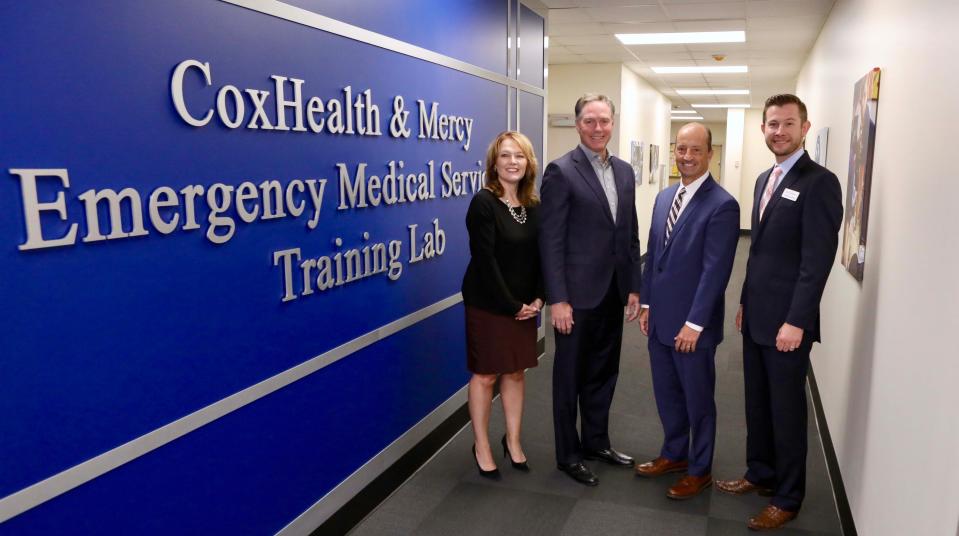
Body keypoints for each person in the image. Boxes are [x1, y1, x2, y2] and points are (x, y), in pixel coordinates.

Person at [716, 94, 842, 531]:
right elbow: (761, 254)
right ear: (763, 129)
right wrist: (746, 301)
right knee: (758, 402)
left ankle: (788, 497)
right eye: (772, 124)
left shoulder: (819, 183)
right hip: (758, 316)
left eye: (789, 123)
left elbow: (816, 263)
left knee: (787, 412)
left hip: (789, 322)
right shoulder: (763, 179)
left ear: (805, 128)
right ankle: (761, 473)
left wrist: (797, 320)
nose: (779, 131)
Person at [539, 93, 642, 486]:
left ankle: (596, 441)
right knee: (570, 377)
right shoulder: (561, 171)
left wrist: (633, 286)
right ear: (577, 124)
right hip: (576, 299)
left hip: (612, 293)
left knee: (604, 371)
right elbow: (551, 242)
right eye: (589, 121)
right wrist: (558, 299)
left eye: (604, 121)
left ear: (613, 123)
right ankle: (568, 454)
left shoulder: (624, 171)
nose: (598, 128)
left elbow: (628, 232)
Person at [635, 123, 739, 499]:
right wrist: (647, 303)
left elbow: (715, 272)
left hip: (693, 327)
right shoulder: (665, 197)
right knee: (666, 394)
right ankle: (674, 453)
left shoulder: (723, 204)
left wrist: (695, 324)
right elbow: (653, 256)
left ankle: (700, 469)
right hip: (661, 319)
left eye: (696, 150)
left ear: (710, 153)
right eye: (681, 149)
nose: (687, 157)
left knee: (698, 400)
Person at [462, 131, 544, 479]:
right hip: (490, 304)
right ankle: (481, 445)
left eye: (520, 156)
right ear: (494, 163)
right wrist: (512, 304)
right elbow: (485, 260)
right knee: (486, 374)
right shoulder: (483, 202)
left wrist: (540, 298)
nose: (513, 162)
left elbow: (541, 256)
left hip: (525, 304)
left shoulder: (533, 205)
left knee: (515, 371)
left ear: (529, 164)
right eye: (506, 156)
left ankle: (512, 441)